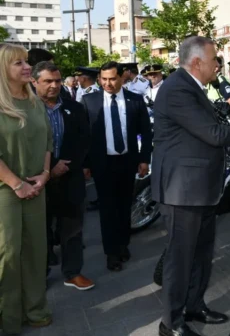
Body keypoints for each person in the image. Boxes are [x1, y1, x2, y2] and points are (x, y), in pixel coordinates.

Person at [151, 36, 230, 336]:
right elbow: (213, 134)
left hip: (200, 187)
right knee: (180, 258)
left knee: (201, 253)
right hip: (182, 190)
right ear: (197, 62)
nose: (219, 65)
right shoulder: (177, 89)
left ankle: (194, 306)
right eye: (215, 59)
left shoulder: (194, 87)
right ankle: (172, 324)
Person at [0, 43, 53, 334]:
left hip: (36, 187)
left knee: (36, 251)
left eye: (25, 62)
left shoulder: (34, 101)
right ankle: (7, 319)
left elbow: (47, 141)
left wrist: (44, 175)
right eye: (17, 63)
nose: (26, 67)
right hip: (6, 191)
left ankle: (36, 310)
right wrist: (16, 184)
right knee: (8, 255)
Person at [81, 61, 152, 272]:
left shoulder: (135, 100)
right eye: (104, 79)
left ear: (122, 77)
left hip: (127, 162)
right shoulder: (89, 101)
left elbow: (146, 132)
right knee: (107, 209)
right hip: (102, 163)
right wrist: (85, 164)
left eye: (112, 78)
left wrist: (144, 159)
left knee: (124, 207)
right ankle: (111, 253)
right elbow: (84, 137)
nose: (108, 83)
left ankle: (123, 244)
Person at [31, 61, 94, 291]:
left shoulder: (74, 108)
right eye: (48, 81)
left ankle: (73, 272)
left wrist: (66, 166)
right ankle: (41, 275)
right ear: (34, 82)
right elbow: (26, 146)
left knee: (73, 229)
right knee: (40, 231)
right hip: (38, 180)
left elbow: (84, 141)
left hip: (70, 177)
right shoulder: (26, 110)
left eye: (57, 81)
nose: (54, 85)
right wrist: (51, 167)